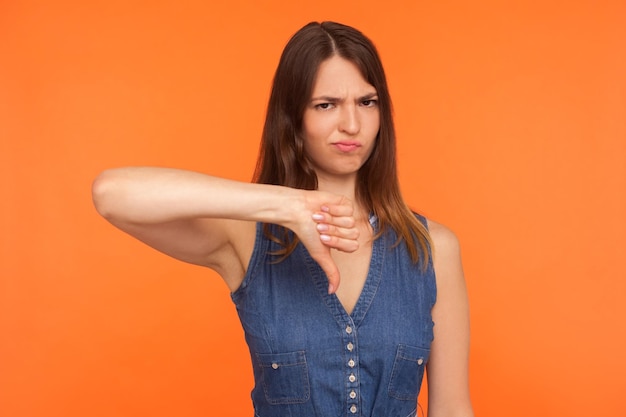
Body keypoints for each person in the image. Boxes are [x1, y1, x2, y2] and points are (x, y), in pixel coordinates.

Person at [92, 21, 473, 417]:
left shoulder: (432, 249)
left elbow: (453, 408)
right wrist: (288, 205)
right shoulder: (246, 238)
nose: (352, 125)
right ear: (292, 118)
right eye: (325, 105)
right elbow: (111, 194)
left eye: (367, 102)